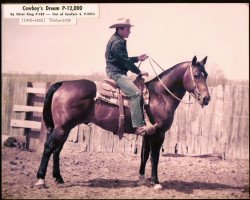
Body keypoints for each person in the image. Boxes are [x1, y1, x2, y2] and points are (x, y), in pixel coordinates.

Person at [105, 18, 156, 136]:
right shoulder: (117, 43)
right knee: (135, 94)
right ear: (120, 29)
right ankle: (138, 126)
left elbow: (124, 59)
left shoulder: (118, 40)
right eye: (128, 29)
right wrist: (139, 71)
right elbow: (125, 62)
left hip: (116, 71)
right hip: (116, 74)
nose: (130, 32)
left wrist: (138, 58)